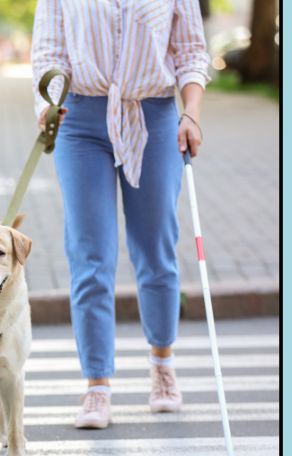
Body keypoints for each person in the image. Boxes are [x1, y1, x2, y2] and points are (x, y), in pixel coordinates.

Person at [30, 0, 209, 429]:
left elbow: (191, 53)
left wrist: (192, 115)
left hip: (155, 115)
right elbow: (49, 52)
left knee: (156, 247)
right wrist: (49, 103)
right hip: (80, 119)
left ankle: (162, 365)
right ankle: (97, 387)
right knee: (90, 255)